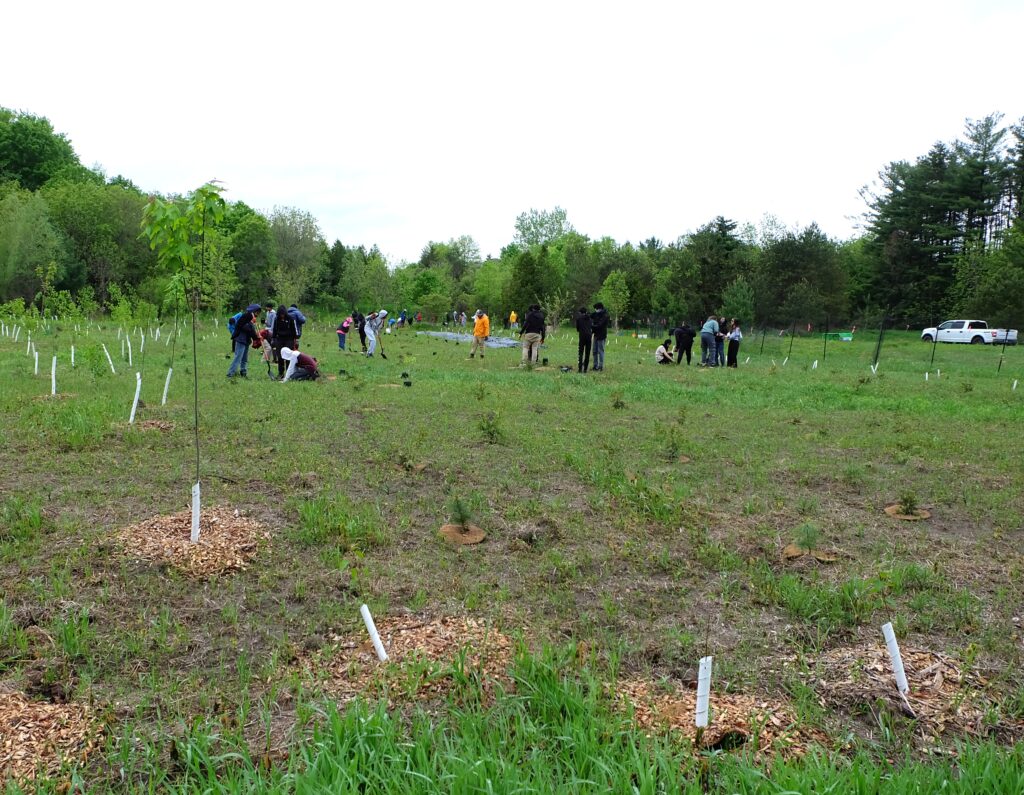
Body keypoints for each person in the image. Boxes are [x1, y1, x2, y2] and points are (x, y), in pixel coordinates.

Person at [227, 304, 261, 378]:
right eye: (257, 312)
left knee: (244, 358)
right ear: (254, 311)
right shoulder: (246, 316)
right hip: (240, 339)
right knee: (238, 357)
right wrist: (251, 327)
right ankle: (230, 374)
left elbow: (251, 330)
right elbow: (241, 325)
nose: (258, 314)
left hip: (246, 340)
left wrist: (256, 338)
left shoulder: (251, 317)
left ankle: (243, 372)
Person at [271, 304, 298, 378]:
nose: (282, 316)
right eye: (280, 314)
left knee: (288, 357)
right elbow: (274, 330)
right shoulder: (276, 319)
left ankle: (288, 373)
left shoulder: (291, 319)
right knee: (280, 357)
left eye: (283, 314)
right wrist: (273, 339)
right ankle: (281, 373)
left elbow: (294, 330)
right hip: (279, 339)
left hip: (289, 339)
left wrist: (296, 339)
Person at [591, 302, 609, 371]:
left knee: (600, 351)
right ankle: (595, 365)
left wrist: (591, 326)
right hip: (595, 334)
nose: (595, 310)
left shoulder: (605, 316)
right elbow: (590, 315)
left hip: (601, 335)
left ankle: (600, 366)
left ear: (600, 308)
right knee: (594, 351)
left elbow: (600, 325)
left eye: (596, 309)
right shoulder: (596, 314)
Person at [575, 306, 592, 373]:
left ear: (580, 312)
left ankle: (580, 369)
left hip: (582, 336)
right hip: (589, 336)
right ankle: (585, 369)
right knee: (587, 353)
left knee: (580, 352)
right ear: (586, 312)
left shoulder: (579, 319)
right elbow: (591, 326)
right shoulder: (590, 319)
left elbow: (577, 329)